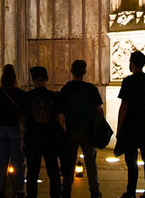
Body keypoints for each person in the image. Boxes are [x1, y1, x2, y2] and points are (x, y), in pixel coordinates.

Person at [59, 59, 104, 198]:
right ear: (85, 72)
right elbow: (99, 110)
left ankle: (66, 190)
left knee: (69, 162)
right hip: (88, 131)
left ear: (71, 71)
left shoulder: (66, 88)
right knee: (91, 163)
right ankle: (95, 191)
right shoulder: (91, 88)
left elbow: (60, 113)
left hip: (71, 130)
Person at [20, 66, 65, 198]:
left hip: (33, 138)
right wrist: (63, 137)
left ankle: (32, 195)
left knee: (32, 172)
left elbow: (22, 120)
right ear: (47, 79)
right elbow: (61, 118)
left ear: (32, 79)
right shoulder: (54, 96)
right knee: (53, 171)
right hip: (51, 138)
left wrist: (22, 138)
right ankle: (56, 195)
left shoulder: (26, 97)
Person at [117, 51, 145, 198]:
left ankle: (131, 191)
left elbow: (124, 106)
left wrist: (119, 127)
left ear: (132, 63)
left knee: (131, 159)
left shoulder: (128, 81)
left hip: (130, 124)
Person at [0, 64, 26, 198]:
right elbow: (22, 116)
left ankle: (0, 189)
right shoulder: (20, 94)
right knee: (17, 161)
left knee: (1, 160)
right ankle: (19, 189)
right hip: (14, 129)